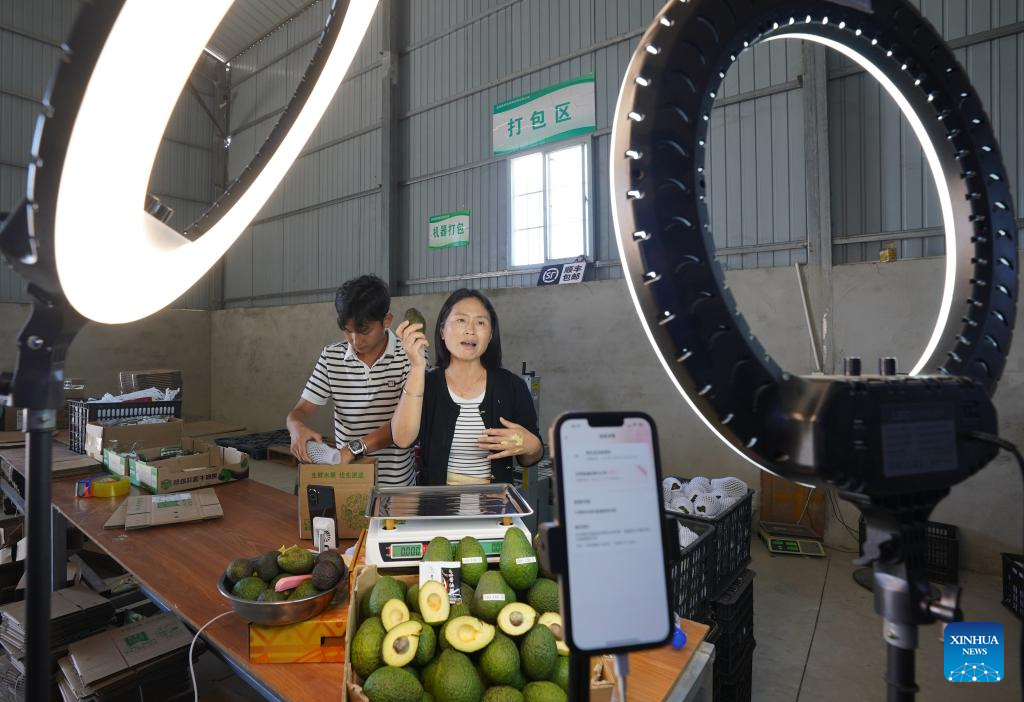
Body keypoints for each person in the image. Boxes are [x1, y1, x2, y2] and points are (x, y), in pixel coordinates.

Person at [391, 288, 543, 486]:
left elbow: (530, 458)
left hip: (494, 509)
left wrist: (531, 445)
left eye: (480, 322)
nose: (470, 329)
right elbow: (402, 439)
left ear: (490, 335)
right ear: (442, 331)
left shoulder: (512, 386)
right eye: (461, 320)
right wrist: (417, 367)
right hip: (437, 508)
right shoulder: (427, 384)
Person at [286, 275, 415, 486]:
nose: (355, 340)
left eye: (364, 331)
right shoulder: (331, 357)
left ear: (387, 320)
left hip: (396, 484)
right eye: (348, 330)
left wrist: (354, 448)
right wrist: (295, 426)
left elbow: (405, 427)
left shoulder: (410, 356)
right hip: (350, 480)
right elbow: (300, 410)